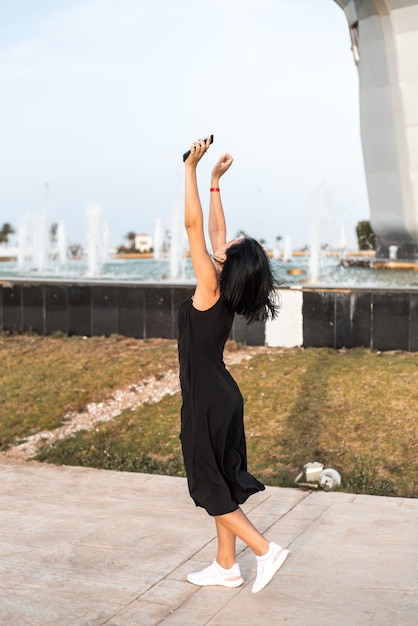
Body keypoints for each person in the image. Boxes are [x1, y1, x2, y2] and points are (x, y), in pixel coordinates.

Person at [177, 137, 290, 594]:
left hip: (207, 400)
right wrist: (215, 182)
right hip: (224, 396)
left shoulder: (210, 283)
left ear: (230, 262)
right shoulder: (224, 283)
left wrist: (189, 170)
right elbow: (217, 235)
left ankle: (266, 550)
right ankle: (226, 565)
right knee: (222, 481)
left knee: (207, 486)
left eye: (232, 244)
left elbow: (193, 228)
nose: (226, 241)